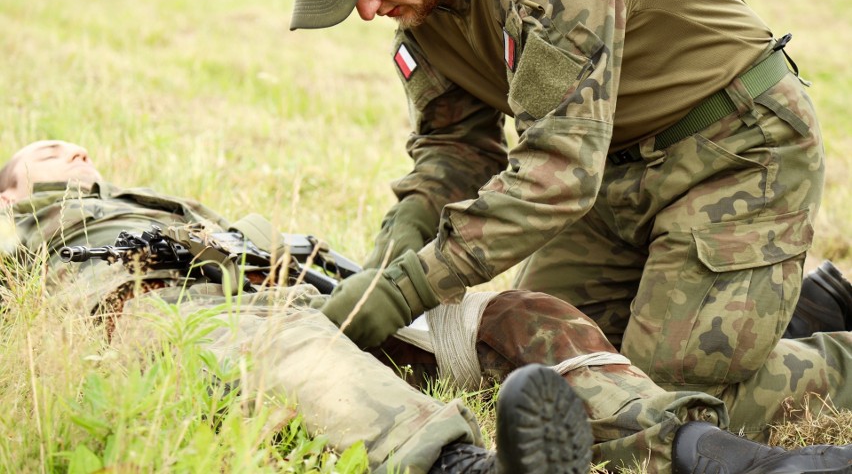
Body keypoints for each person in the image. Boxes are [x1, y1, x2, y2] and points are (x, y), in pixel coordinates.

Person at [279, 0, 852, 472]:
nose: (365, 8)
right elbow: (454, 150)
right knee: (553, 358)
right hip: (612, 174)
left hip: (733, 151)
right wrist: (394, 249)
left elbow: (558, 173)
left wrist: (405, 291)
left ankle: (830, 356)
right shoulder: (425, 11)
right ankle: (798, 305)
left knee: (664, 402)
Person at [4, 140, 852, 473]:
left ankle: (697, 447)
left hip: (319, 297)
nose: (70, 150)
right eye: (45, 152)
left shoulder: (161, 199)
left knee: (516, 312)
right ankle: (462, 468)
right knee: (289, 353)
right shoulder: (23, 232)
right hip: (205, 312)